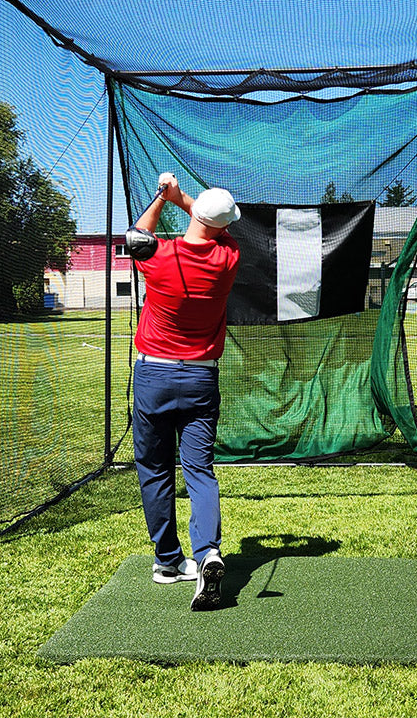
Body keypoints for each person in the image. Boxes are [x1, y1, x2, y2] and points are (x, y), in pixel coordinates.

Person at [132, 172, 240, 611]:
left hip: (154, 377)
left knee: (155, 469)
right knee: (199, 469)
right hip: (200, 379)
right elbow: (217, 226)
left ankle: (167, 562)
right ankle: (208, 553)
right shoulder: (228, 257)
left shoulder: (159, 256)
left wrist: (163, 197)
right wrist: (185, 201)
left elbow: (137, 233)